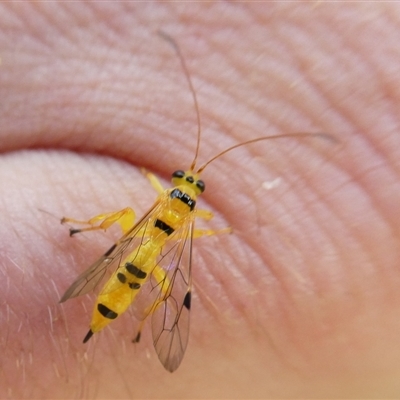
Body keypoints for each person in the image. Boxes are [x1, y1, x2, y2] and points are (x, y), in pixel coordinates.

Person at [1, 2, 399, 398]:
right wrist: (221, 228)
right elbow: (199, 235)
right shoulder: (186, 222)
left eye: (184, 182)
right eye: (185, 182)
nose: (184, 183)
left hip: (134, 253)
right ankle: (140, 325)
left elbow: (142, 215)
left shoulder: (164, 201)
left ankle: (120, 301)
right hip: (149, 262)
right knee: (165, 285)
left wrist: (94, 221)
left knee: (124, 220)